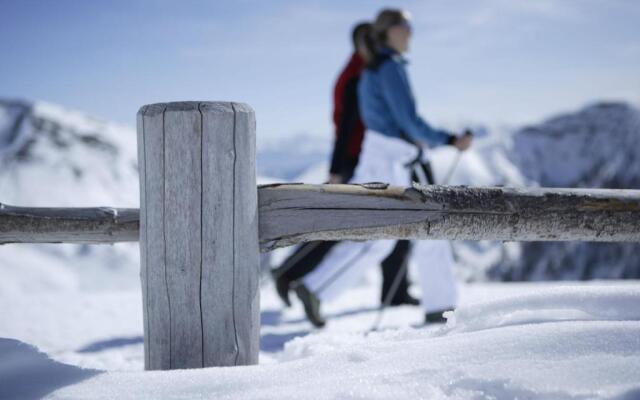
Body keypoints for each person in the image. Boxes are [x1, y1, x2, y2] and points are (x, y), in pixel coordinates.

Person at [296, 8, 472, 327]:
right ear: (390, 30)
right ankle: (442, 307)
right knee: (427, 228)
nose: (411, 32)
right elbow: (409, 122)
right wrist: (449, 139)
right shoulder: (389, 67)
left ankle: (316, 288)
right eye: (406, 25)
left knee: (381, 237)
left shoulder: (375, 67)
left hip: (382, 156)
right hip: (393, 159)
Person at [270, 22, 418, 320]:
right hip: (358, 162)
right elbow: (347, 128)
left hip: (366, 159)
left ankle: (396, 289)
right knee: (342, 228)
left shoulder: (359, 72)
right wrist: (338, 169)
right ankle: (289, 273)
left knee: (382, 224)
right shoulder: (359, 76)